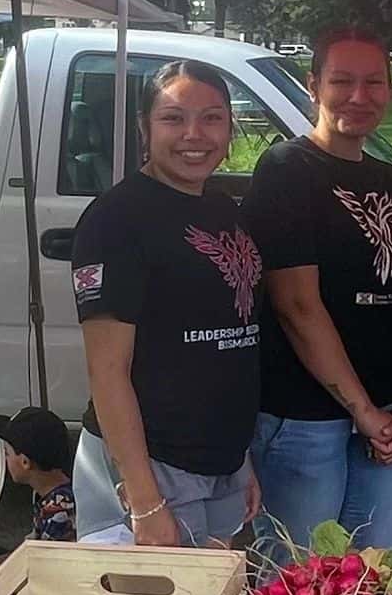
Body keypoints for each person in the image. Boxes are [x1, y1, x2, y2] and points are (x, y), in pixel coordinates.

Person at [242, 27, 392, 557]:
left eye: (374, 82)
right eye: (342, 81)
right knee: (298, 593)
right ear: (313, 85)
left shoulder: (391, 180)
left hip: (389, 417)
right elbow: (297, 305)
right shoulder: (286, 169)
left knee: (372, 577)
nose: (359, 96)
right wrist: (361, 409)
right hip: (304, 420)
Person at [69, 60, 264, 548]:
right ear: (144, 127)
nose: (194, 134)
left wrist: (240, 463)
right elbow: (107, 371)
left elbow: (231, 342)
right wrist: (144, 499)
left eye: (213, 117)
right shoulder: (116, 220)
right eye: (174, 118)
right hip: (153, 470)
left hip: (221, 468)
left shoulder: (221, 209)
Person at [0, 407, 76, 587]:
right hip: (44, 565)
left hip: (59, 585)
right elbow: (31, 549)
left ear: (25, 462)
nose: (5, 459)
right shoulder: (51, 494)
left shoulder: (59, 511)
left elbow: (45, 574)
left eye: (7, 453)